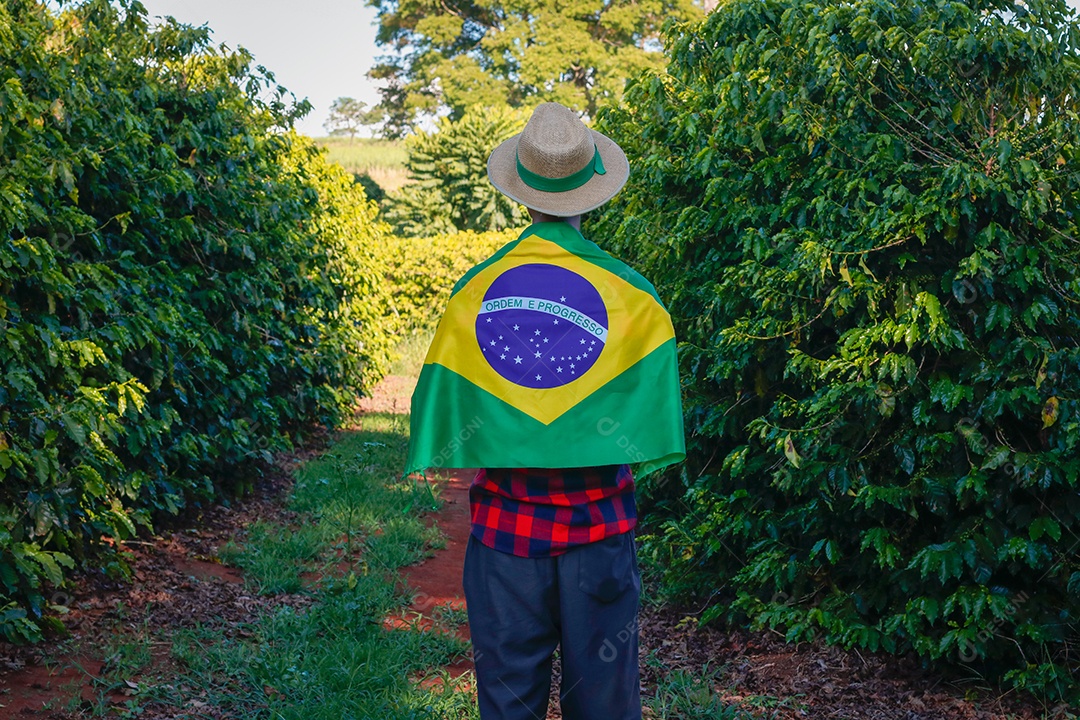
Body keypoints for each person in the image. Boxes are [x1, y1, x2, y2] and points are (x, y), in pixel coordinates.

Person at [405, 101, 684, 720]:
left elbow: (448, 405)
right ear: (595, 191)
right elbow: (648, 414)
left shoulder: (473, 293)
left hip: (506, 543)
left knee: (507, 704)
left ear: (521, 192)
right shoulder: (635, 298)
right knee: (605, 705)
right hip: (601, 541)